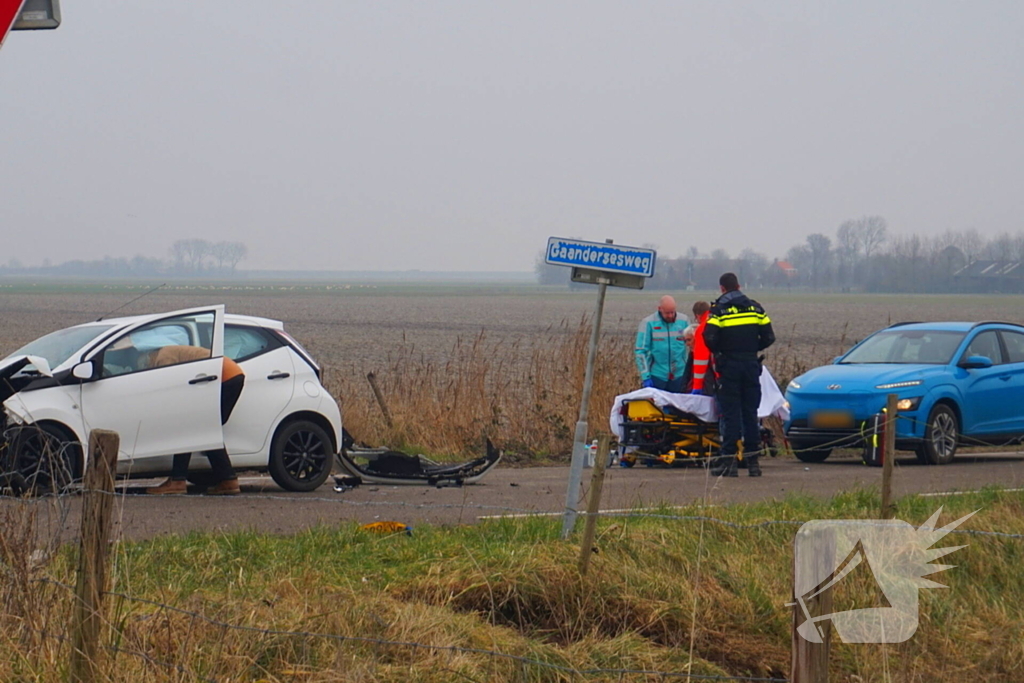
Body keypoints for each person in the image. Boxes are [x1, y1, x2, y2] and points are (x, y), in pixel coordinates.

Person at [703, 273, 775, 477]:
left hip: (729, 366)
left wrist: (723, 352)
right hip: (751, 365)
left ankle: (729, 462)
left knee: (731, 414)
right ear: (739, 286)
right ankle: (753, 463)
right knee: (750, 413)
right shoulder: (756, 308)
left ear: (722, 289)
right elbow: (769, 337)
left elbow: (709, 337)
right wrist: (752, 348)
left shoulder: (719, 310)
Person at [147, 349, 245, 495]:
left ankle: (178, 481)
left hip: (225, 376)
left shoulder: (163, 357)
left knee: (195, 428)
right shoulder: (170, 352)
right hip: (230, 373)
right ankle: (228, 480)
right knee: (205, 429)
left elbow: (168, 384)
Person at [634, 295, 690, 393]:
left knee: (677, 408)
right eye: (667, 313)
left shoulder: (684, 321)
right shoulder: (648, 323)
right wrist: (645, 376)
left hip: (679, 375)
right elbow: (640, 351)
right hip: (657, 376)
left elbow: (693, 346)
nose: (670, 316)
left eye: (672, 312)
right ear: (660, 309)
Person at [690, 301, 714, 396]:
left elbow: (700, 360)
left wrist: (697, 386)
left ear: (698, 315)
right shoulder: (719, 321)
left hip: (712, 376)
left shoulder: (702, 330)